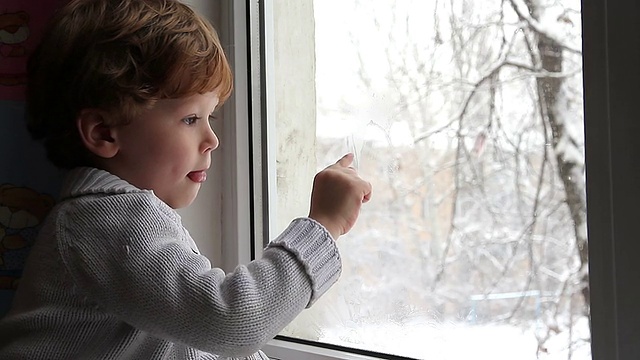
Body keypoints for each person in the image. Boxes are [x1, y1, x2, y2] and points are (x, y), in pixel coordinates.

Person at [0, 0, 372, 359]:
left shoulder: (102, 217)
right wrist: (323, 226)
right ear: (104, 133)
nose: (212, 140)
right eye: (190, 119)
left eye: (210, 117)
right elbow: (230, 321)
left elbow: (189, 344)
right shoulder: (110, 218)